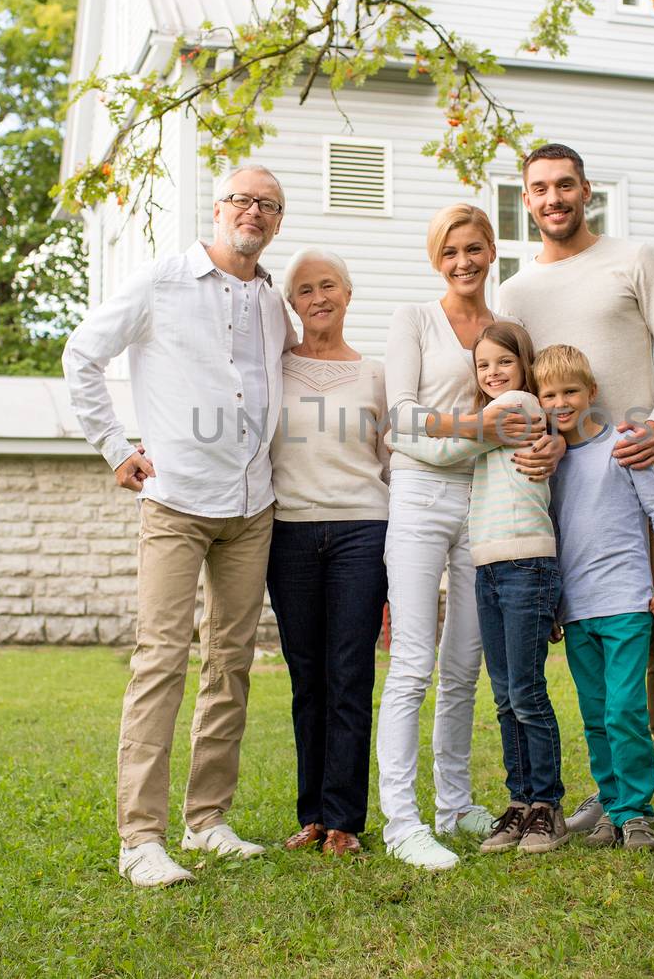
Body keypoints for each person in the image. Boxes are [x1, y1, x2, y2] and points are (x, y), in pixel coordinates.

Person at [62, 165, 296, 888]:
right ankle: (140, 839)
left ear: (276, 221)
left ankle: (208, 821)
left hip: (251, 507)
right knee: (160, 662)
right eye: (241, 200)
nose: (252, 212)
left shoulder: (273, 303)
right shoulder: (162, 280)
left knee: (231, 665)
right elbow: (82, 355)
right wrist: (114, 446)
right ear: (218, 208)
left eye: (267, 205)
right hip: (175, 501)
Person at [496, 143, 654, 836]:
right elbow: (513, 388)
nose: (553, 198)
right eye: (539, 188)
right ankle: (609, 788)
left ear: (586, 191)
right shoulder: (515, 292)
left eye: (565, 185)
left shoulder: (633, 260)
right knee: (586, 635)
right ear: (526, 199)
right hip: (557, 487)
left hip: (632, 471)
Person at [378, 203, 556, 872]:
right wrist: (477, 429)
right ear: (436, 257)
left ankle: (454, 805)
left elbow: (536, 410)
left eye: (475, 248)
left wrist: (552, 444)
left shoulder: (507, 329)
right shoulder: (414, 320)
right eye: (451, 251)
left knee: (463, 669)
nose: (463, 262)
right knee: (414, 663)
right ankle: (403, 821)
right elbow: (399, 420)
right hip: (421, 497)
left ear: (491, 251)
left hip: (485, 504)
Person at [401, 322, 567, 855]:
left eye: (504, 362)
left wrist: (397, 438)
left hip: (526, 566)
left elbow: (448, 452)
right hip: (490, 567)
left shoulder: (518, 406)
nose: (493, 374)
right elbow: (464, 447)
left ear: (523, 367)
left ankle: (548, 806)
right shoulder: (492, 416)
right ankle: (519, 804)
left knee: (527, 692)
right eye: (483, 366)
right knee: (504, 695)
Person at [266, 248, 389, 857]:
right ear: (292, 304)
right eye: (305, 290)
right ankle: (311, 814)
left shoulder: (375, 374)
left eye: (329, 285)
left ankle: (344, 821)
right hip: (289, 534)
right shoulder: (273, 369)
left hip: (362, 532)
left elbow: (392, 462)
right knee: (305, 678)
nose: (318, 297)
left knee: (349, 675)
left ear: (347, 293)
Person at [537, 344, 654, 849]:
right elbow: (552, 535)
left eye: (571, 391)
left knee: (625, 709)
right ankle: (611, 803)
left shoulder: (622, 447)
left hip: (626, 603)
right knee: (596, 713)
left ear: (591, 393)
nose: (561, 402)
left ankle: (635, 811)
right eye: (549, 394)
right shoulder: (549, 466)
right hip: (577, 611)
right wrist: (554, 605)